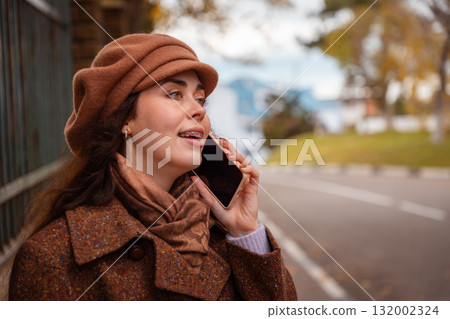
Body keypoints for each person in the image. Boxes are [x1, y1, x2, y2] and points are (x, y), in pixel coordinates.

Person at [9, 33, 297, 301]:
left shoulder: (224, 233)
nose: (199, 110)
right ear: (124, 119)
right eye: (174, 94)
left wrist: (246, 232)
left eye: (200, 99)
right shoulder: (54, 257)